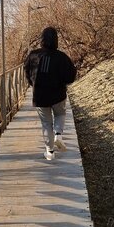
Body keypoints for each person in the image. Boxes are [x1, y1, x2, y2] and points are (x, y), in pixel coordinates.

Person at [24, 26, 77, 161]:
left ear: (42, 39)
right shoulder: (62, 57)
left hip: (40, 95)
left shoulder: (33, 55)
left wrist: (33, 83)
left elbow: (27, 72)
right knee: (60, 114)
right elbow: (71, 76)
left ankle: (50, 151)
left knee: (46, 123)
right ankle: (58, 134)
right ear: (56, 40)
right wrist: (62, 82)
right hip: (58, 94)